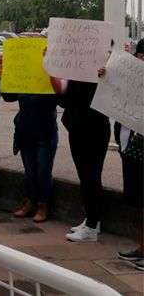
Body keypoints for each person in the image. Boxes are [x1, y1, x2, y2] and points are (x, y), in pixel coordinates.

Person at [52, 48, 111, 243]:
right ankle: (91, 220)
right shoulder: (77, 74)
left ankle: (92, 227)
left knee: (91, 176)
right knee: (85, 176)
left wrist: (103, 76)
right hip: (78, 129)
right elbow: (63, 99)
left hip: (94, 130)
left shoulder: (105, 73)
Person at [0, 57, 61, 222]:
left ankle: (43, 205)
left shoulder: (49, 76)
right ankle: (29, 202)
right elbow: (8, 96)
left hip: (45, 131)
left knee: (43, 171)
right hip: (25, 130)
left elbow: (61, 97)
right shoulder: (22, 77)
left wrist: (52, 70)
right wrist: (5, 75)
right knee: (30, 171)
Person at [104, 39, 143, 269]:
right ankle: (141, 247)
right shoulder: (129, 82)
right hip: (129, 149)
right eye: (139, 56)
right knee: (138, 203)